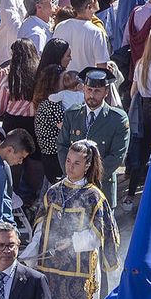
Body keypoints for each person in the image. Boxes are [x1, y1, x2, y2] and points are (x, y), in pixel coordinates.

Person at [29, 139, 120, 299]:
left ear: (87, 166)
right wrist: (30, 254)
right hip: (50, 270)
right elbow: (40, 227)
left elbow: (97, 235)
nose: (70, 167)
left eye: (76, 163)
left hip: (81, 275)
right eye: (68, 161)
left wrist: (71, 242)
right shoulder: (53, 192)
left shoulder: (94, 196)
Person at [56, 66, 130, 208]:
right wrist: (72, 173)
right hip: (73, 187)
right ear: (83, 89)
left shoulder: (118, 119)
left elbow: (117, 156)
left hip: (101, 187)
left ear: (106, 92)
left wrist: (88, 178)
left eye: (97, 91)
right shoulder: (73, 114)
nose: (92, 95)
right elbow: (62, 145)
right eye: (89, 90)